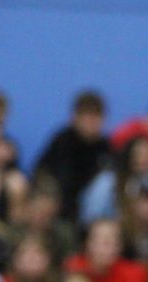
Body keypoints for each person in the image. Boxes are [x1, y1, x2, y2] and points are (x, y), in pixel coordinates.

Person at [35, 90, 115, 222]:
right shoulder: (63, 141)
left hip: (90, 209)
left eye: (96, 117)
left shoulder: (105, 146)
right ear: (75, 118)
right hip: (60, 204)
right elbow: (47, 175)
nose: (92, 122)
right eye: (87, 117)